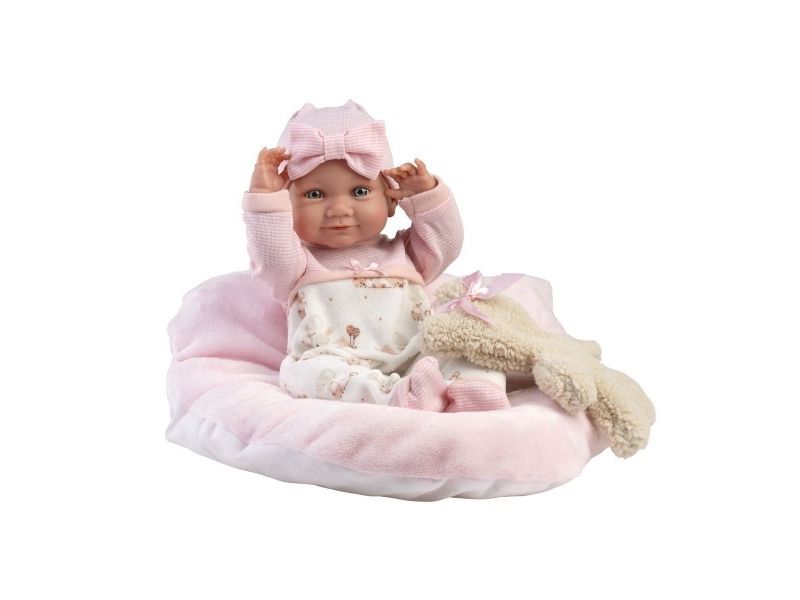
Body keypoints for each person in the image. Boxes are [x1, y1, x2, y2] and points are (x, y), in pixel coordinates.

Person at [242, 100, 509, 412]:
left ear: (391, 199)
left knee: (471, 347)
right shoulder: (296, 264)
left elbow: (447, 241)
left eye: (359, 192)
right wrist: (265, 200)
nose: (339, 209)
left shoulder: (407, 252)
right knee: (305, 374)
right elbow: (270, 252)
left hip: (416, 356)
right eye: (315, 194)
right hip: (337, 361)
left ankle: (474, 390)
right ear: (287, 205)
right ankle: (401, 396)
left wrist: (425, 196)